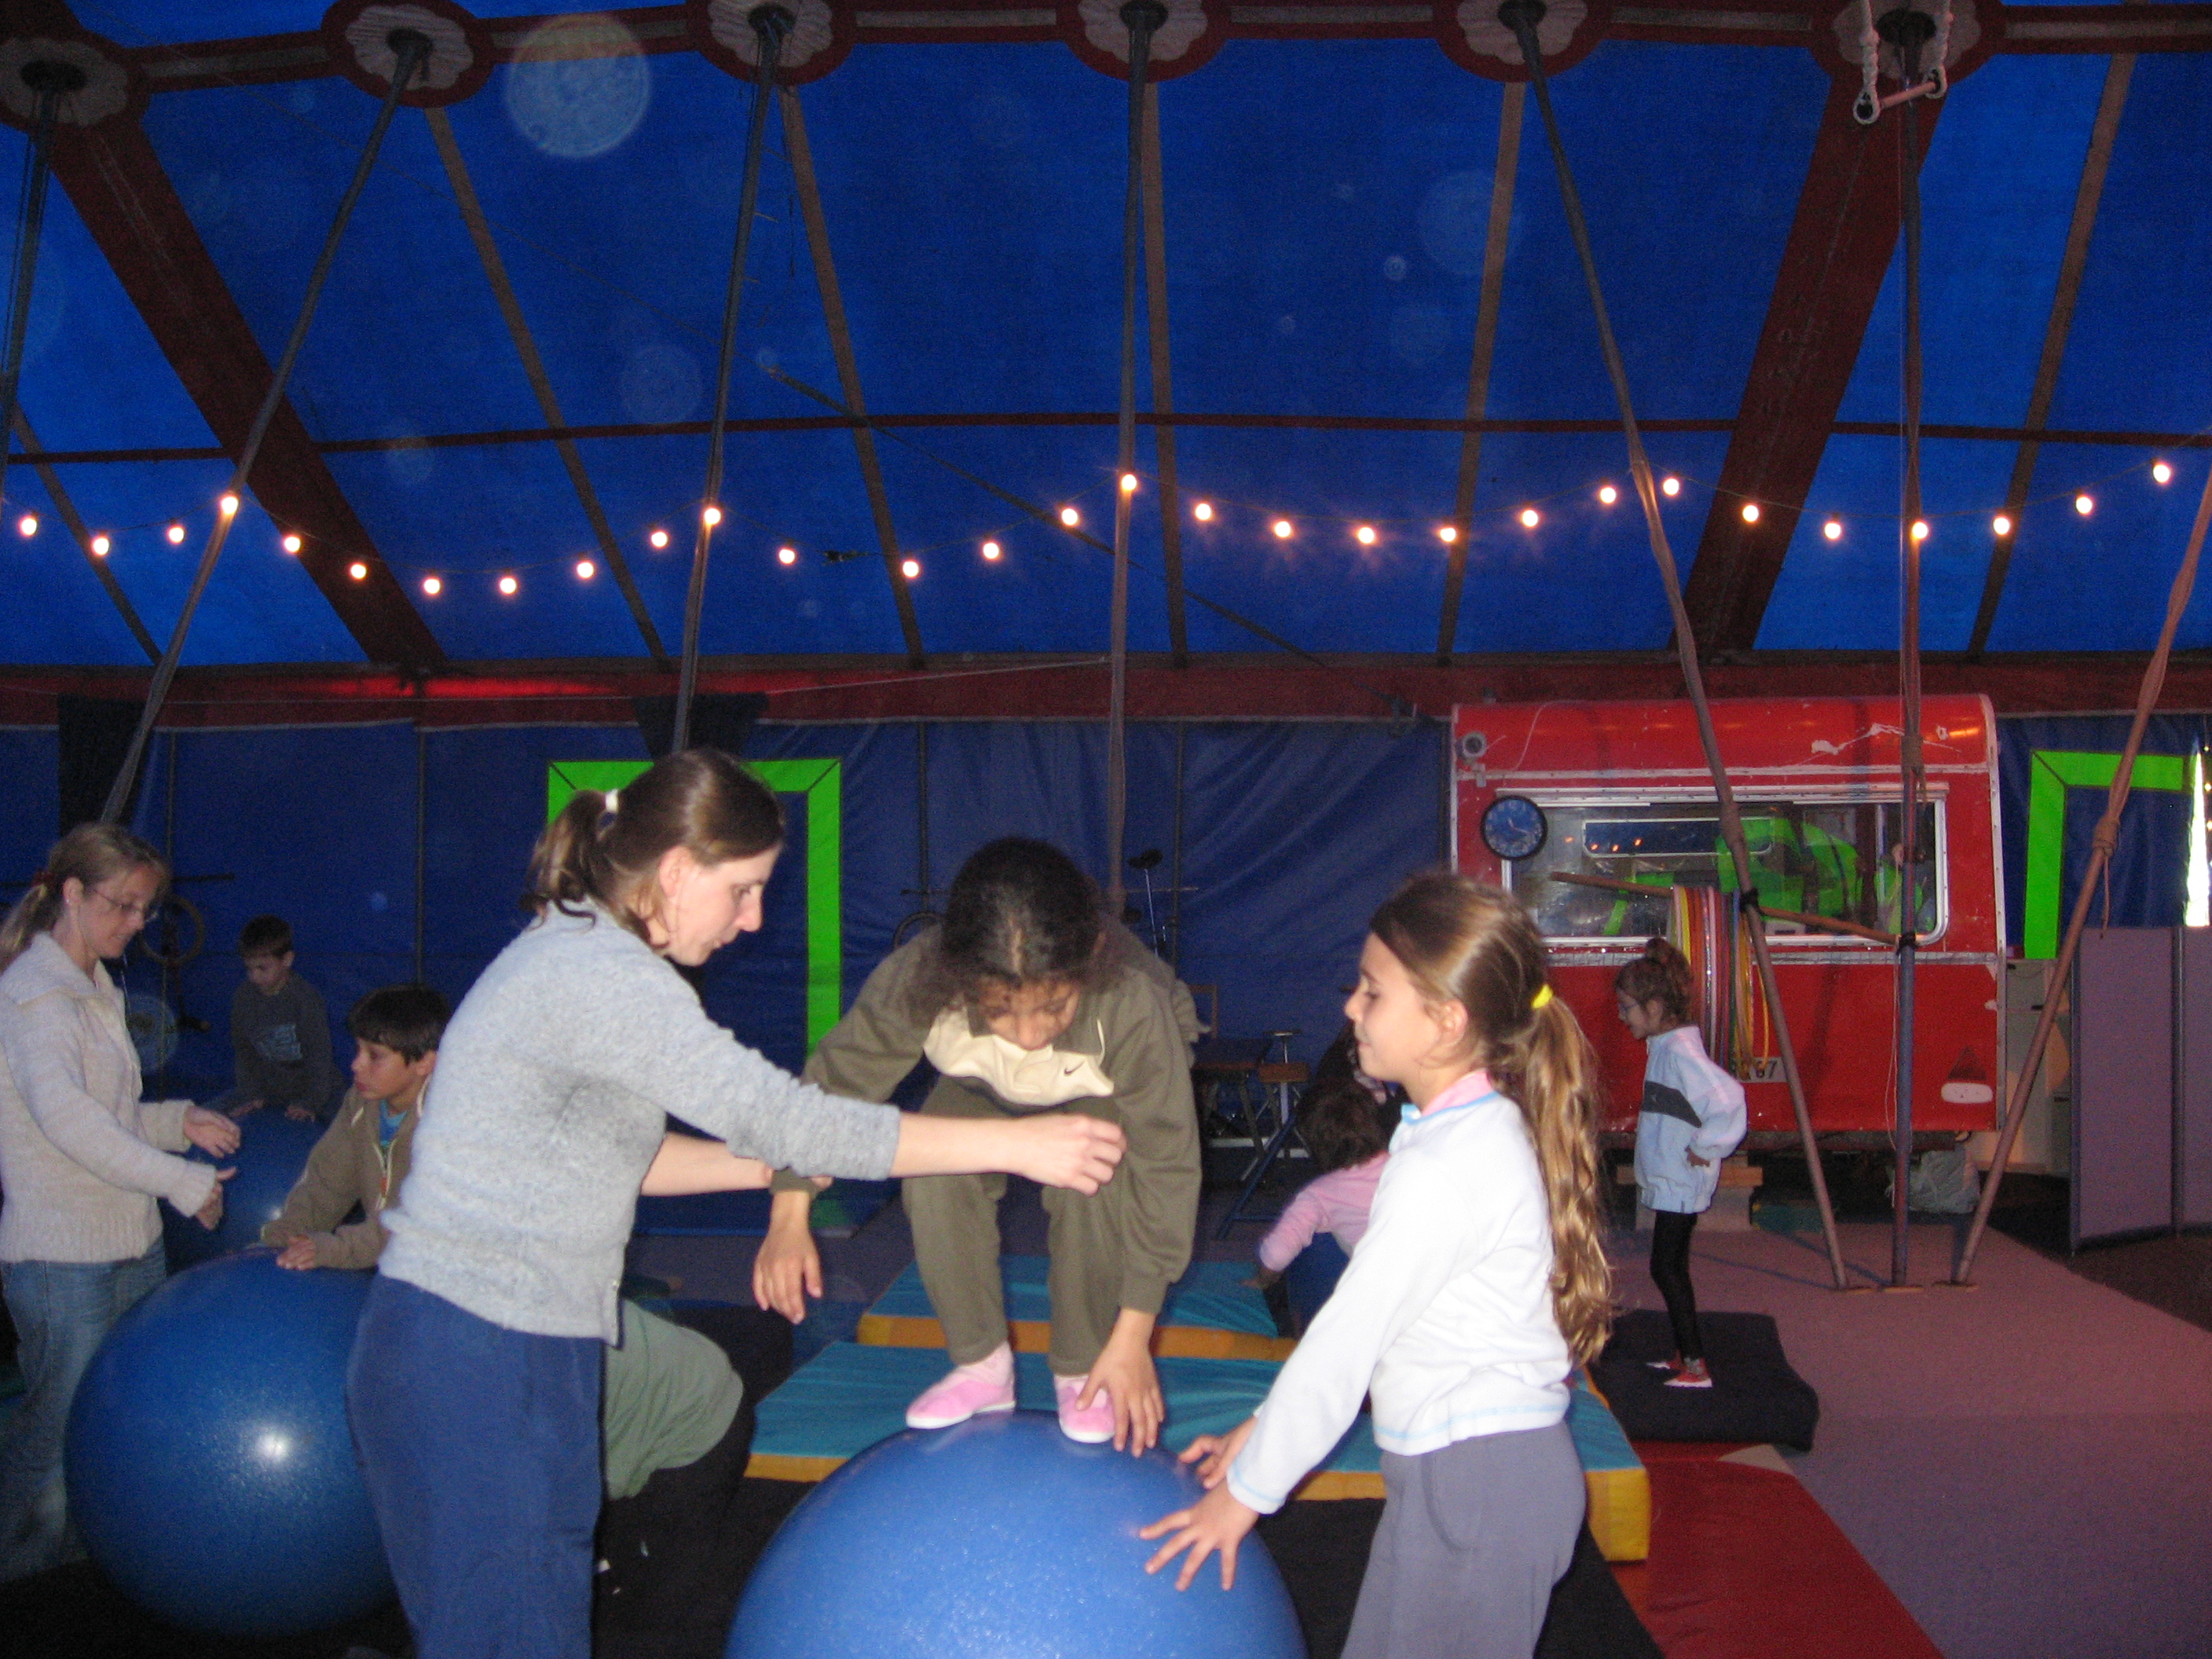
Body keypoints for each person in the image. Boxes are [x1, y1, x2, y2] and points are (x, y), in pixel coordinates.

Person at [345, 752, 1123, 1659]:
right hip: (480, 1348)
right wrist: (1014, 1144)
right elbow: (791, 1118)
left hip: (488, 1343)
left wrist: (768, 1171)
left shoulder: (577, 945)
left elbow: (620, 1160)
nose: (752, 920)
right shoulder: (603, 977)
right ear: (677, 872)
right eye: (744, 890)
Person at [1140, 872, 1611, 1659]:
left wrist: (1245, 1496)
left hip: (1481, 1487)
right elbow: (1395, 1335)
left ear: (1445, 1022)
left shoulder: (1445, 1166)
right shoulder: (1456, 1132)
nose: (1350, 1009)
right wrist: (1259, 1432)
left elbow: (1345, 1343)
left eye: (1372, 992)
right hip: (1463, 1477)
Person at [753, 837, 1200, 1454]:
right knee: (933, 1171)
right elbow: (836, 1082)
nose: (1029, 1035)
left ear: (1086, 968)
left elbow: (1168, 1166)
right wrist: (789, 1210)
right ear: (962, 981)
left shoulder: (1128, 1000)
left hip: (1097, 1091)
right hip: (981, 1089)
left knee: (1094, 1176)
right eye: (1002, 1011)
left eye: (1053, 1008)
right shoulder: (921, 979)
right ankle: (982, 1367)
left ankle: (1083, 1366)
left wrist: (1133, 1335)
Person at [0, 824, 240, 1581]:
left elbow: (110, 1115)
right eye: (125, 905)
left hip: (130, 1242)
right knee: (53, 1438)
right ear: (73, 893)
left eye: (146, 908)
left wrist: (178, 1122)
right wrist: (182, 1180)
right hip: (63, 1258)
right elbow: (67, 1122)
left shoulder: (94, 986)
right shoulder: (35, 995)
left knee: (115, 1423)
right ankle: (25, 1586)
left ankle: (89, 1569)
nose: (138, 923)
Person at [1615, 936, 1746, 1390]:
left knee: (1666, 1269)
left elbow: (1729, 1100)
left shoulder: (1679, 1053)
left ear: (1654, 1008)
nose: (1622, 1017)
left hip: (1682, 1179)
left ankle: (1695, 1366)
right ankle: (1685, 1356)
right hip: (1672, 1177)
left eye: (1627, 1008)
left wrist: (1706, 1147)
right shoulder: (1665, 1048)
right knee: (1667, 1267)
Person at [260, 983, 449, 1271]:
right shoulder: (361, 1105)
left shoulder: (449, 1124)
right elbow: (325, 1184)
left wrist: (334, 1249)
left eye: (375, 1055)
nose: (356, 1064)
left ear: (424, 1062)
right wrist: (283, 1239)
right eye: (358, 1049)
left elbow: (418, 1220)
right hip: (393, 1260)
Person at [1247, 1070, 1393, 1323]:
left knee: (1312, 1245)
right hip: (1427, 1285)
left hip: (1372, 1298)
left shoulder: (1320, 1195)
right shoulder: (1404, 1164)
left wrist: (1261, 1281)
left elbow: (1276, 1254)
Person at [225, 914, 339, 1122]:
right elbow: (244, 1052)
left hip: (314, 1088)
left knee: (347, 1124)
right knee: (212, 1116)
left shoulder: (305, 999)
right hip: (270, 1089)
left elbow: (319, 1056)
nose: (254, 976)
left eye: (262, 968)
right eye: (249, 969)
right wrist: (252, 1094)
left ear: (287, 960)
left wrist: (311, 1102)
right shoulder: (244, 998)